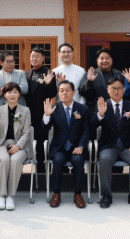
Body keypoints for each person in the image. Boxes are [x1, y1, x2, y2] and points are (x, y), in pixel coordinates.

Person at [92, 77, 130, 209]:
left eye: (119, 88)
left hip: (127, 146)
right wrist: (100, 114)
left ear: (124, 90)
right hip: (109, 146)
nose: (116, 91)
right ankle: (106, 195)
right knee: (105, 159)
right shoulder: (103, 105)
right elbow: (91, 126)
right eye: (113, 88)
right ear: (108, 90)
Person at [42, 80, 89, 209]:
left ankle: (78, 194)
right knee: (58, 160)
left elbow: (86, 131)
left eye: (67, 90)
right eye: (61, 90)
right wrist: (46, 115)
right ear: (58, 93)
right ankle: (56, 193)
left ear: (73, 92)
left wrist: (81, 146)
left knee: (78, 161)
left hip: (76, 147)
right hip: (59, 148)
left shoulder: (82, 109)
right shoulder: (54, 109)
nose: (64, 93)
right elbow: (45, 128)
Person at [0, 82, 32, 211]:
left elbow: (26, 132)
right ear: (5, 95)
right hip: (1, 143)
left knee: (16, 160)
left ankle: (10, 197)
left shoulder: (25, 111)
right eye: (9, 92)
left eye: (15, 92)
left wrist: (18, 146)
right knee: (4, 159)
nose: (12, 95)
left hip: (20, 144)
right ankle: (2, 196)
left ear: (19, 94)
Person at [25, 47, 57, 173]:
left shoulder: (48, 73)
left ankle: (43, 173)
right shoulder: (27, 73)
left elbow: (52, 93)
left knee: (41, 145)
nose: (34, 58)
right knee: (30, 143)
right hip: (28, 114)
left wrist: (47, 83)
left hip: (42, 114)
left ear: (43, 58)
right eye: (32, 56)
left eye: (37, 56)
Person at [79, 48, 124, 114]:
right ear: (97, 60)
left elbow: (125, 93)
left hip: (115, 112)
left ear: (111, 60)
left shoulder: (119, 74)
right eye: (102, 58)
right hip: (95, 112)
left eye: (107, 58)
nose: (104, 61)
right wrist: (89, 81)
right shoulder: (90, 74)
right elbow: (82, 92)